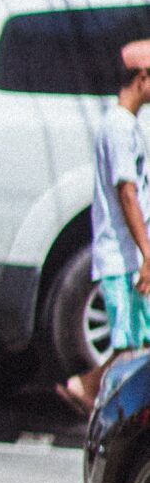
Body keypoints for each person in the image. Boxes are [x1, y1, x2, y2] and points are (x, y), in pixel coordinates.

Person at [60, 39, 150, 415]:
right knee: (132, 349)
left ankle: (88, 387)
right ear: (142, 78)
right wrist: (146, 254)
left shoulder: (126, 125)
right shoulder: (117, 129)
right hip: (123, 254)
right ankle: (96, 396)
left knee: (135, 342)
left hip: (128, 253)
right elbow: (126, 192)